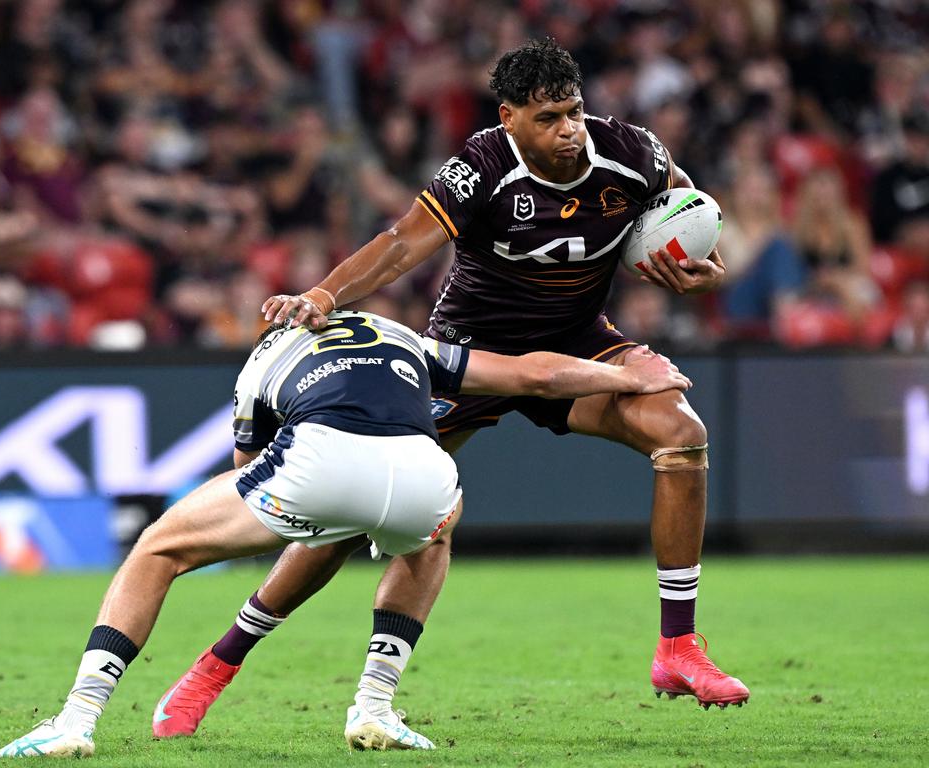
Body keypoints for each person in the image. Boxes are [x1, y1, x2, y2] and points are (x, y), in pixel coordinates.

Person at [154, 38, 748, 750]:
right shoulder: (480, 167)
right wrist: (323, 293)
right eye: (550, 117)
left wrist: (702, 265)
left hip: (580, 344)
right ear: (509, 117)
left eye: (576, 112)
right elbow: (403, 242)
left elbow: (690, 212)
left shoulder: (632, 153)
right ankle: (216, 665)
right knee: (351, 515)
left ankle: (677, 650)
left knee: (681, 432)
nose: (569, 130)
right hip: (469, 354)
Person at [0, 309, 691, 758]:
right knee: (434, 535)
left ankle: (76, 720)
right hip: (423, 470)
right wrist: (623, 373)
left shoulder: (265, 358)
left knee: (158, 546)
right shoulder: (407, 339)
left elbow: (249, 469)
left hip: (318, 460)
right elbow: (535, 375)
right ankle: (375, 706)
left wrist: (313, 512)